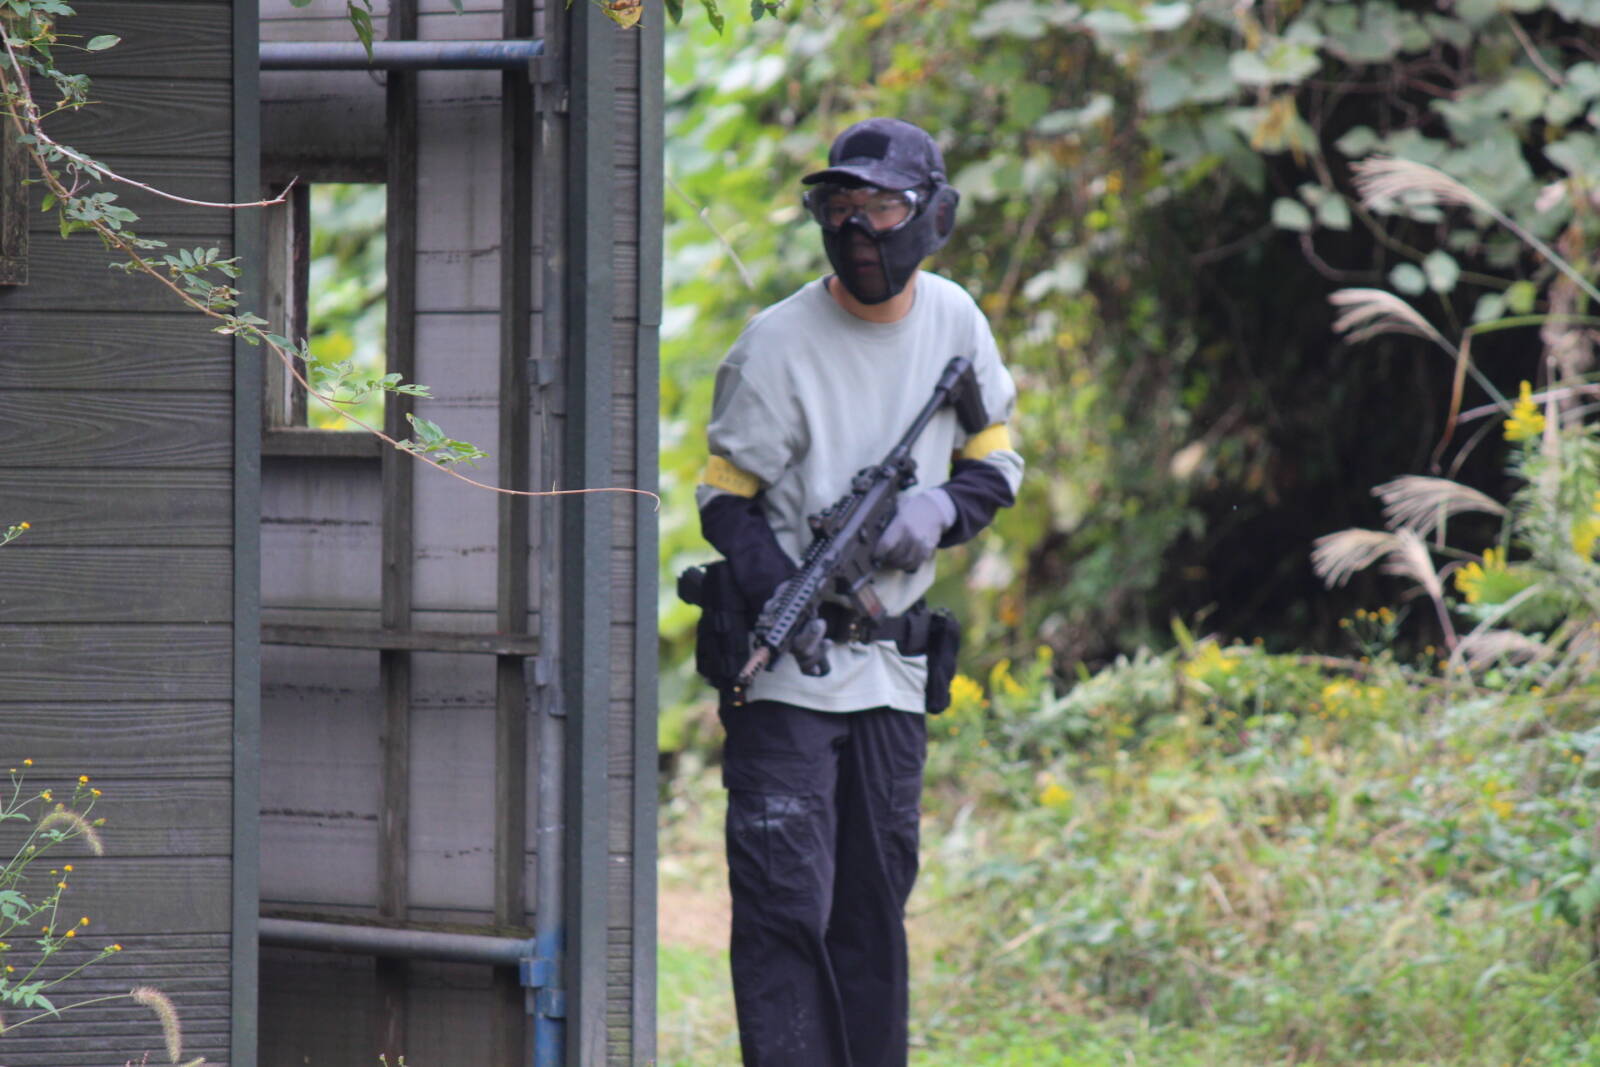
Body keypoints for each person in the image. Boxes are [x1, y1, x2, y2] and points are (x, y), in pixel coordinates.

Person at [694, 117, 1025, 1067]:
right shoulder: (776, 345)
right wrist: (788, 602)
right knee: (785, 911)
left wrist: (942, 510)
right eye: (840, 206)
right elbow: (725, 502)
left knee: (876, 915)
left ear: (932, 216)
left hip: (891, 679)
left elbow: (995, 457)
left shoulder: (956, 322)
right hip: (787, 684)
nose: (857, 228)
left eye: (880, 206)